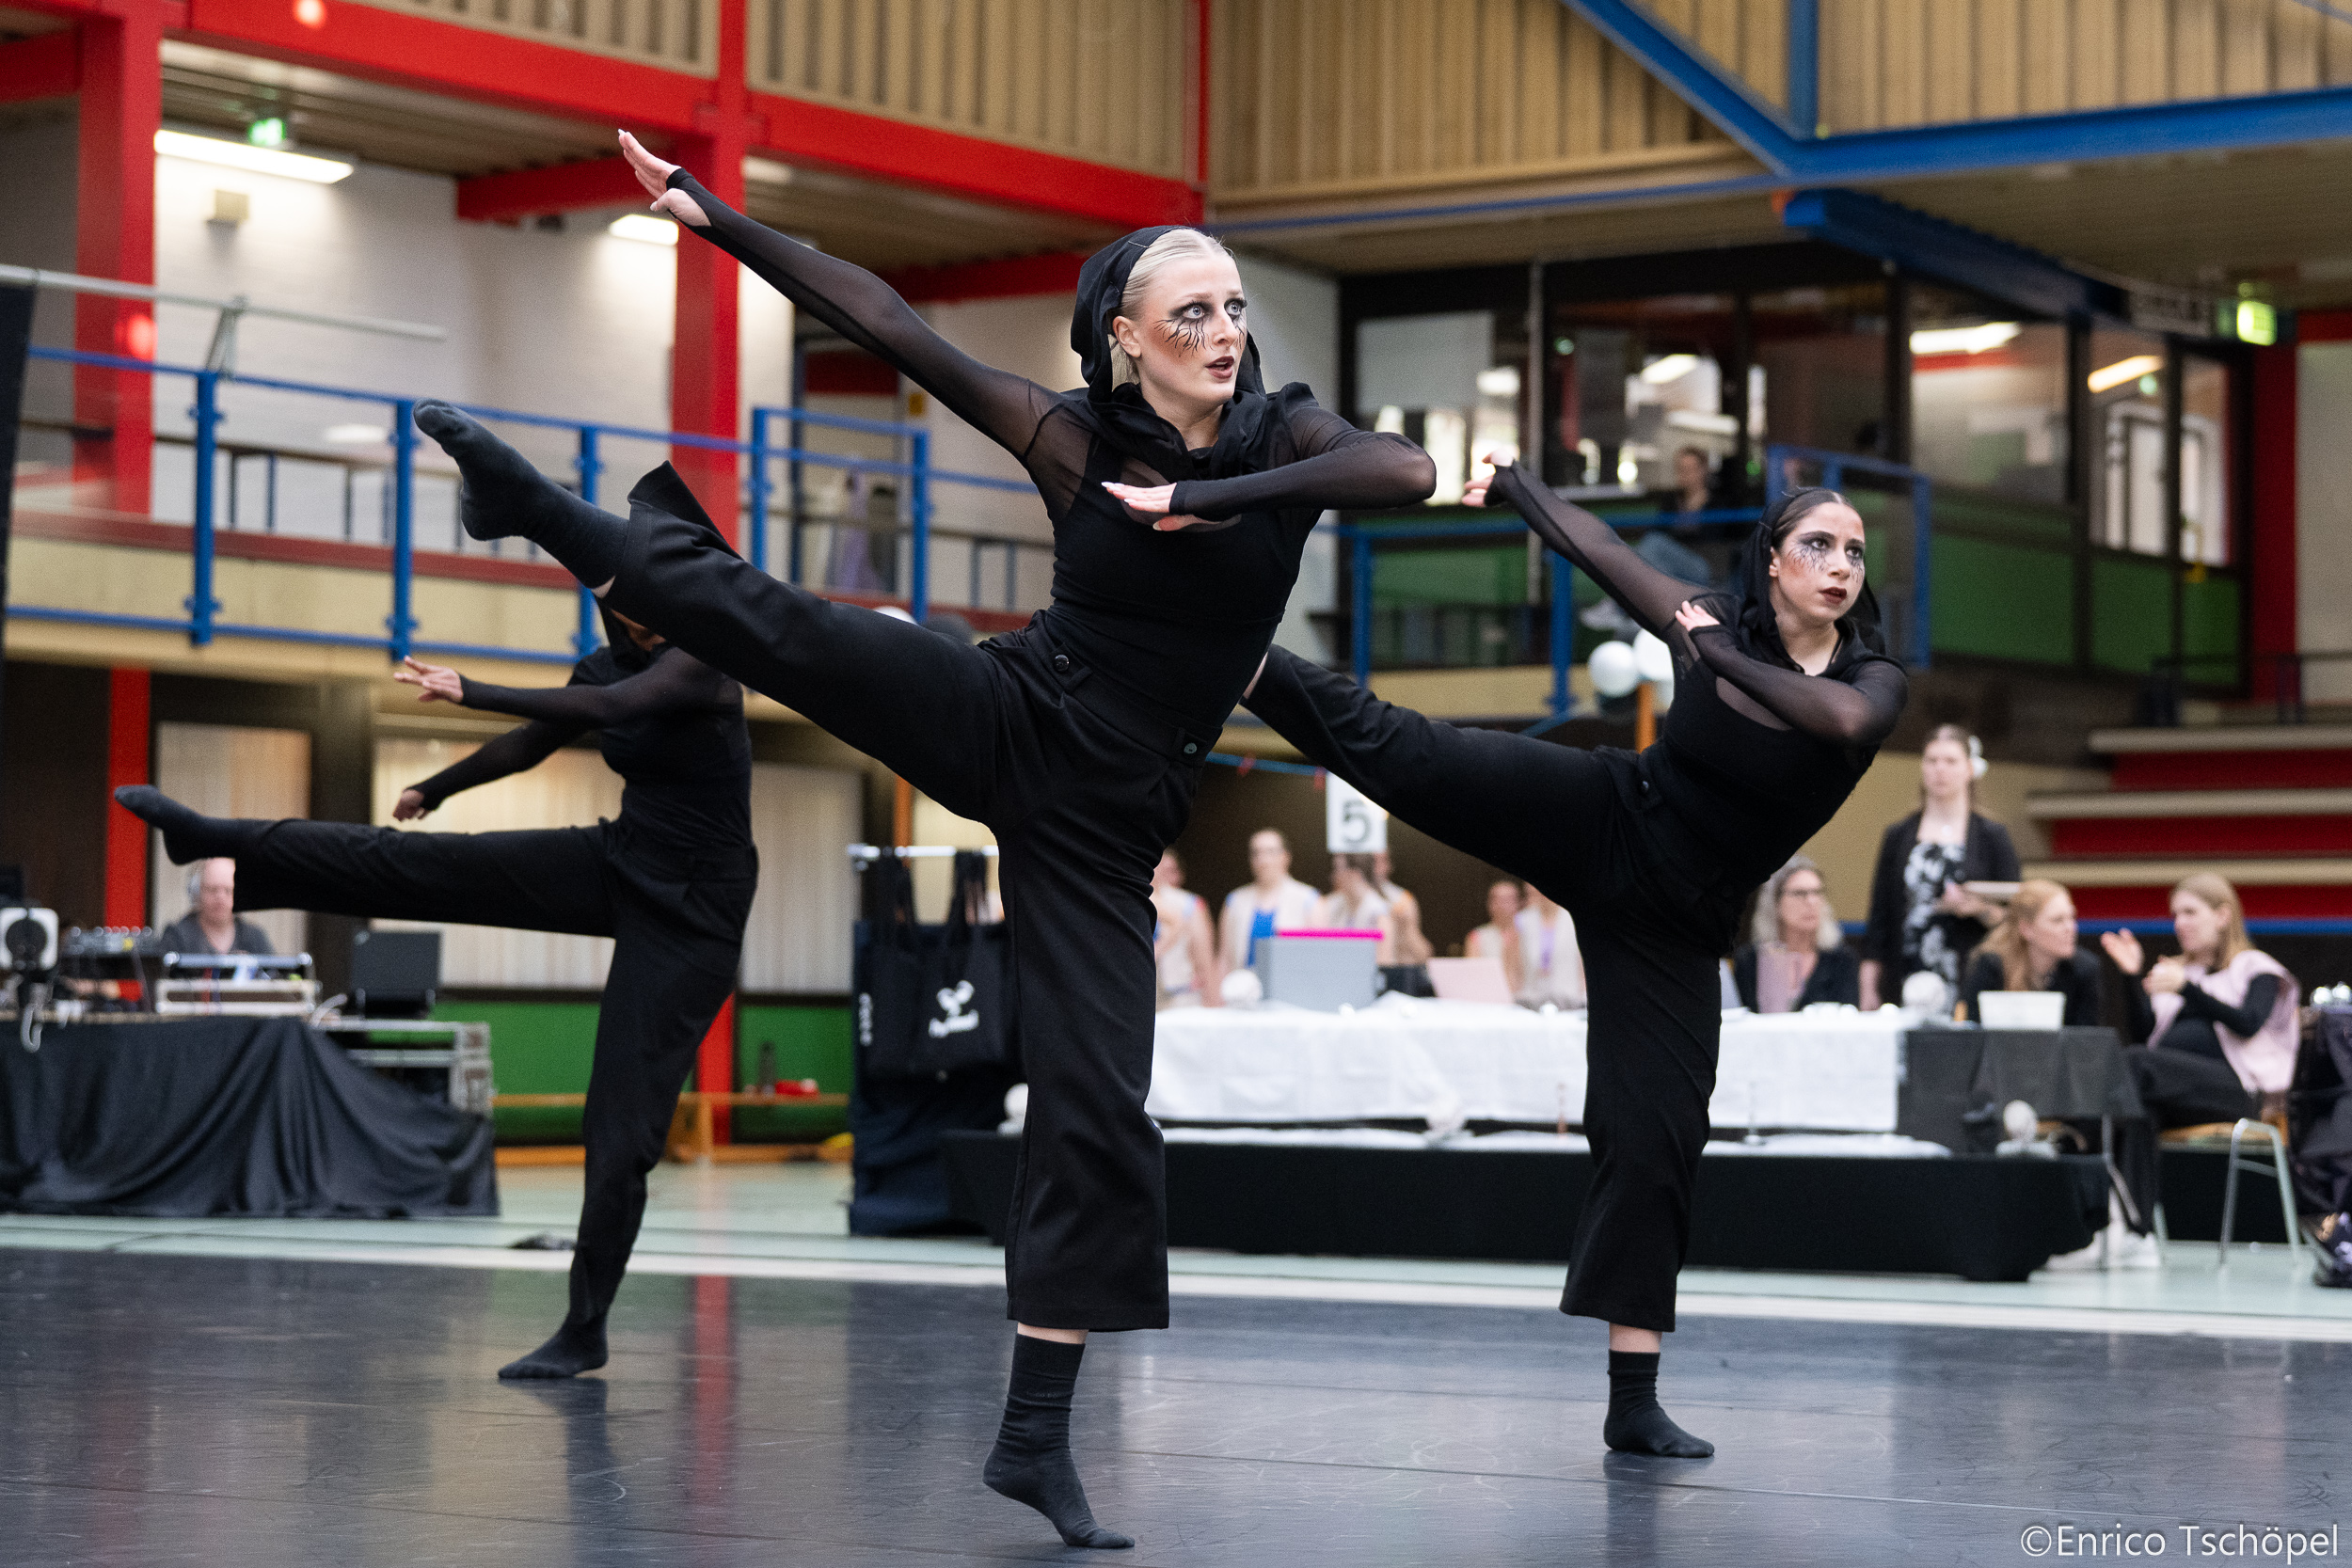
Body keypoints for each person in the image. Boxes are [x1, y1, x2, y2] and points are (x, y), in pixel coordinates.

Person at [408, 128, 1433, 1551]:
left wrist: (1204, 497)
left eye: (1233, 307)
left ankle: (1033, 1436)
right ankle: (538, 508)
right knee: (790, 628)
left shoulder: (1289, 438)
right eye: (1190, 311)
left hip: (1107, 821)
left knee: (1098, 1109)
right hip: (1014, 711)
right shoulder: (1071, 439)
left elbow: (1409, 469)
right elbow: (886, 321)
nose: (1223, 330)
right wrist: (714, 218)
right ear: (1124, 338)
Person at [1242, 464, 1906, 1459]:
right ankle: (1236, 659)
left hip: (1679, 920)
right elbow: (1599, 550)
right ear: (1772, 559)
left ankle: (1631, 1399)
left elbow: (1837, 724)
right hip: (1609, 813)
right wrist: (1517, 485)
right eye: (1817, 543)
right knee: (1412, 752)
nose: (1839, 563)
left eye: (1853, 550)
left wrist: (1711, 650)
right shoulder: (1709, 615)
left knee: (1655, 1140)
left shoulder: (1869, 679)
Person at [118, 598, 756, 1381]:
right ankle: (217, 838)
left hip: (698, 910)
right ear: (606, 603)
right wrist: (438, 785)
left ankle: (584, 1326)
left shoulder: (702, 660)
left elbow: (612, 709)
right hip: (626, 860)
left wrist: (472, 688)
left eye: (651, 597)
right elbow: (529, 743)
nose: (642, 614)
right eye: (626, 600)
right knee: (413, 862)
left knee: (618, 1128)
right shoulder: (602, 664)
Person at [2094, 873, 2301, 1261]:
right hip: (2175, 1091)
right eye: (2175, 915)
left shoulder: (2256, 968)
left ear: (2222, 916)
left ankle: (2094, 1192)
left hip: (2237, 1091)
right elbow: (2145, 1036)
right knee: (2140, 1109)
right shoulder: (2179, 972)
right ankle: (2138, 1236)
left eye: (2190, 912)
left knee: (2133, 1066)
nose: (2179, 924)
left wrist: (2187, 989)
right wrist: (2130, 976)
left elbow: (2248, 1022)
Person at [1858, 723, 2018, 1008]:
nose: (1940, 769)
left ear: (1969, 769)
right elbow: (1880, 915)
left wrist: (1978, 908)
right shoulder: (1898, 835)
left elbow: (2016, 915)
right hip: (1906, 971)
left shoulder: (1992, 836)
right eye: (1932, 760)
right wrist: (1868, 985)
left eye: (1950, 761)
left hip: (1969, 973)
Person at [1957, 879, 2101, 1028]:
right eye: (2057, 920)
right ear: (2027, 929)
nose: (2070, 928)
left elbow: (2088, 1036)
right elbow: (1973, 1030)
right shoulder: (1992, 966)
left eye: (2072, 918)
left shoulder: (2084, 970)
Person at [1732, 856, 1859, 1013]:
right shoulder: (1750, 960)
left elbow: (1848, 1016)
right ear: (1775, 902)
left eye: (1817, 892)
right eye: (1800, 893)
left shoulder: (1842, 959)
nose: (1811, 901)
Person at [1220, 828, 1326, 975]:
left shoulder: (1308, 899)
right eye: (1256, 853)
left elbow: (1320, 956)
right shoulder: (1236, 900)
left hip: (1290, 983)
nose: (1263, 860)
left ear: (1285, 856)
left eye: (1270, 852)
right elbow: (1224, 958)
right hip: (1244, 983)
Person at [155, 859, 273, 957]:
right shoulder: (177, 937)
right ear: (196, 892)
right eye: (212, 889)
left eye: (228, 891)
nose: (220, 898)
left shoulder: (255, 938)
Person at [1150, 849, 1217, 1008]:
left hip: (1180, 995)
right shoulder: (1133, 899)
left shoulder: (1188, 904)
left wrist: (1212, 1002)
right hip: (1142, 992)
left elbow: (1205, 961)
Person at [1514, 885, 1586, 1010]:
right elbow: (1513, 963)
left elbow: (1583, 960)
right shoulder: (1523, 920)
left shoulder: (1574, 918)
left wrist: (1584, 993)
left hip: (1569, 997)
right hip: (1531, 998)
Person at [1319, 852, 1397, 960]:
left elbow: (1384, 961)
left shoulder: (1379, 913)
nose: (1334, 877)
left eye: (1338, 870)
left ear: (1354, 875)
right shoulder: (1333, 905)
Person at [1463, 877, 1525, 991]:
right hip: (1489, 994)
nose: (1502, 905)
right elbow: (1473, 974)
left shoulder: (1528, 935)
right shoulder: (1477, 936)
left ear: (1519, 903)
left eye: (1507, 900)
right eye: (1497, 899)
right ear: (1489, 903)